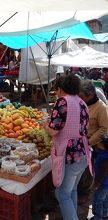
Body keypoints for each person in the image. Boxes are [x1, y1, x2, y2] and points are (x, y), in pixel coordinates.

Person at [44, 73, 92, 220]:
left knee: (62, 194)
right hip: (83, 153)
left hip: (70, 155)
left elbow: (53, 130)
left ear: (61, 88)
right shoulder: (82, 103)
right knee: (72, 190)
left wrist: (45, 125)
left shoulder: (62, 102)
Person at [78, 80, 108, 204]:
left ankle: (85, 193)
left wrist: (89, 141)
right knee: (79, 169)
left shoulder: (101, 107)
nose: (80, 98)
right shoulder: (82, 103)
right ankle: (78, 190)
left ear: (90, 95)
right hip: (80, 142)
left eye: (82, 96)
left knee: (88, 172)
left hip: (93, 145)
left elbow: (104, 129)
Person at [91, 134, 108, 220]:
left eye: (100, 142)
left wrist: (96, 185)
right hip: (105, 184)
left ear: (104, 146)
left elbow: (102, 174)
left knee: (98, 200)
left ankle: (97, 217)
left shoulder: (105, 159)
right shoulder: (103, 153)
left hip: (103, 184)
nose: (98, 143)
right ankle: (105, 214)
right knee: (105, 199)